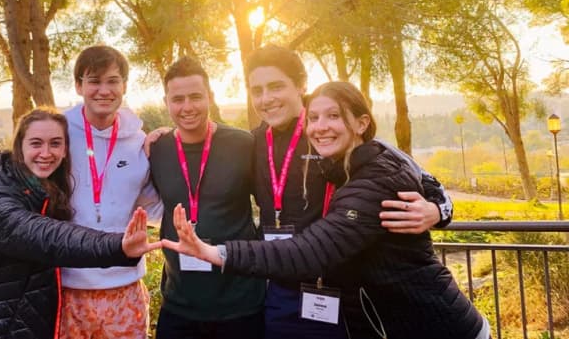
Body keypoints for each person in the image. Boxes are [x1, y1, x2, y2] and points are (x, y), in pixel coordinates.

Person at [162, 81, 489, 339]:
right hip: (383, 320)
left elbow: (311, 251)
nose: (320, 127)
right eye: (314, 118)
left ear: (361, 123)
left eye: (334, 116)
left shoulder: (376, 175)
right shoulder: (348, 163)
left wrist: (215, 252)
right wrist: (164, 136)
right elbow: (427, 180)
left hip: (434, 324)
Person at [244, 45, 453, 338]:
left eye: (276, 87)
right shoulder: (250, 144)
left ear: (301, 85)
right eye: (257, 90)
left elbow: (424, 181)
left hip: (341, 294)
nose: (266, 99)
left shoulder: (332, 131)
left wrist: (437, 211)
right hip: (281, 291)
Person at [0, 45, 163, 339]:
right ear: (79, 86)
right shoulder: (59, 132)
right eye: (94, 81)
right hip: (64, 289)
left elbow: (153, 205)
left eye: (113, 81)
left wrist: (173, 145)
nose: (104, 90)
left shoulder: (139, 141)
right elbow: (13, 171)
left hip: (125, 287)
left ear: (125, 86)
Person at [0, 108, 161, 339]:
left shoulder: (50, 188)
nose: (46, 153)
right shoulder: (0, 190)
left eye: (55, 144)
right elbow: (38, 234)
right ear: (20, 146)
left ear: (66, 150)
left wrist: (162, 141)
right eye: (36, 143)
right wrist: (118, 246)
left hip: (14, 320)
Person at [148, 57, 264, 339]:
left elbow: (272, 203)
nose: (187, 107)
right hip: (179, 304)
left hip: (240, 304)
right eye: (178, 99)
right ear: (166, 102)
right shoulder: (156, 149)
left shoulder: (243, 144)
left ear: (210, 96)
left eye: (196, 97)